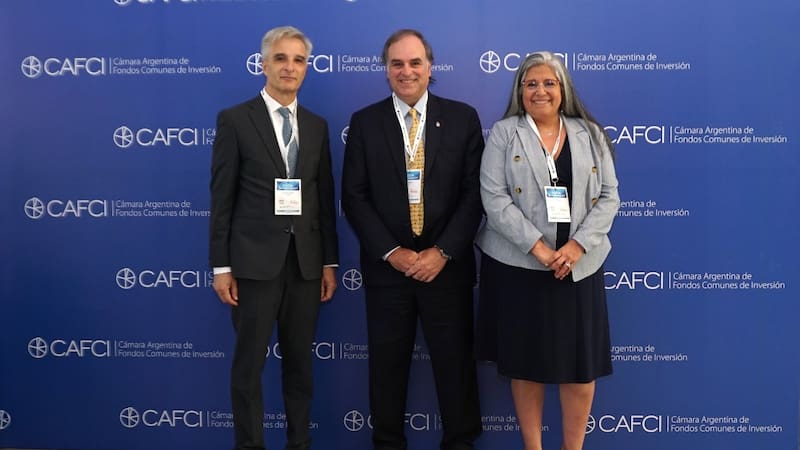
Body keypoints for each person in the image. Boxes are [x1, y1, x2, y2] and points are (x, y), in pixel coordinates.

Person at [341, 29, 483, 450]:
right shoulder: (365, 122)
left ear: (430, 67)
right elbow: (354, 196)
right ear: (386, 70)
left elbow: (475, 195)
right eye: (397, 63)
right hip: (389, 272)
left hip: (447, 270)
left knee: (456, 368)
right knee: (387, 370)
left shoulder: (462, 118)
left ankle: (460, 444)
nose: (407, 71)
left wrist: (443, 252)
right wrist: (392, 252)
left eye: (415, 62)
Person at [475, 51, 619, 450]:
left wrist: (576, 247)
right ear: (520, 90)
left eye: (549, 83)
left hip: (579, 267)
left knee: (580, 369)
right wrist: (538, 249)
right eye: (531, 83)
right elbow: (493, 197)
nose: (540, 91)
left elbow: (609, 196)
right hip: (518, 266)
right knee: (526, 365)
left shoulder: (589, 133)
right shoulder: (504, 133)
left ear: (563, 89)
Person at [209, 26, 338, 450]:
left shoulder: (317, 126)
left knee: (300, 367)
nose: (290, 67)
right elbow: (222, 198)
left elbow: (323, 200)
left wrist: (328, 262)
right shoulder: (235, 120)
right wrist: (222, 266)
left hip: (305, 265)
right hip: (253, 265)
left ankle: (299, 444)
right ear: (263, 65)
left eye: (298, 60)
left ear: (306, 68)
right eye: (281, 58)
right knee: (249, 369)